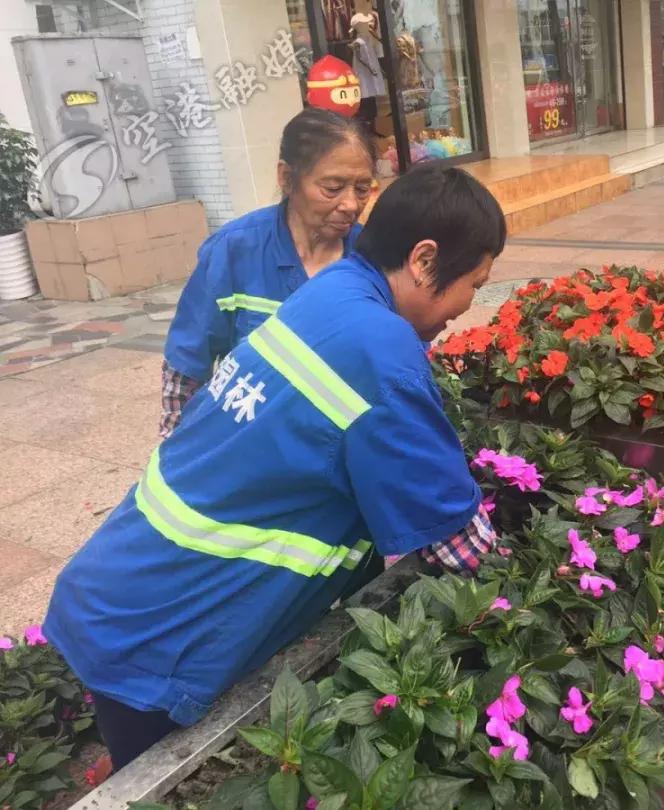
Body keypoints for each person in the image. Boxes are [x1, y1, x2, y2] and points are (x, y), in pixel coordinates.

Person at [43, 164, 507, 770]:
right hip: (164, 632)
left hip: (120, 590)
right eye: (476, 282)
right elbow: (457, 543)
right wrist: (527, 590)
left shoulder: (334, 290)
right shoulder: (378, 350)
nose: (470, 305)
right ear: (424, 261)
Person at [159, 107, 375, 437]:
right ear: (287, 178)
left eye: (362, 188)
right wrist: (178, 449)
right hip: (251, 439)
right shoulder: (234, 251)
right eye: (333, 187)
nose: (350, 204)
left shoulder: (372, 256)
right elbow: (186, 368)